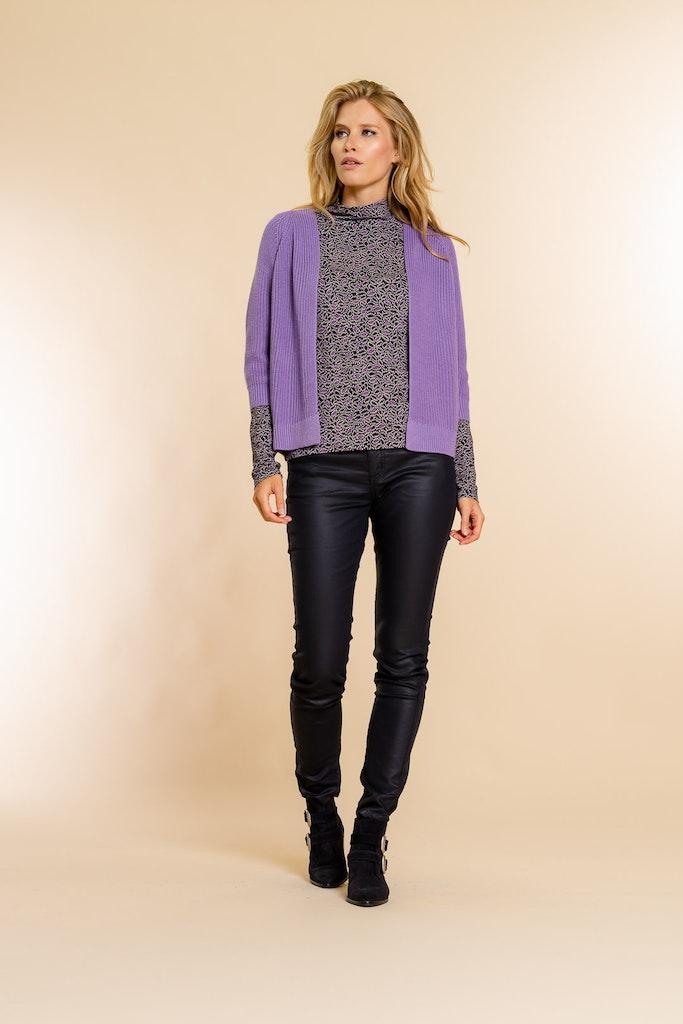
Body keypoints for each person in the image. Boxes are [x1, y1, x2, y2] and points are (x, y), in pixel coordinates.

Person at [244, 79, 485, 908]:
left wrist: (465, 475)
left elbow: (453, 371)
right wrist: (264, 460)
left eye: (368, 132)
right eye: (341, 132)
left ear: (397, 149)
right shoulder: (290, 234)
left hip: (420, 466)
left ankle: (371, 831)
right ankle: (322, 817)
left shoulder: (432, 249)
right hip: (324, 466)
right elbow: (258, 352)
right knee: (319, 661)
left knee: (402, 658)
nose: (350, 144)